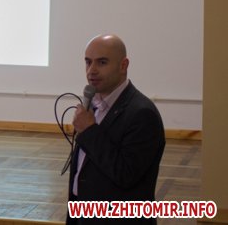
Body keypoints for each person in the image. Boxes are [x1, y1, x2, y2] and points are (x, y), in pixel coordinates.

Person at [67, 34, 165, 224]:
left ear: (123, 65)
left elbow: (126, 174)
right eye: (88, 62)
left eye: (102, 62)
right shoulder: (92, 106)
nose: (92, 70)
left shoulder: (142, 113)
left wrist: (89, 130)